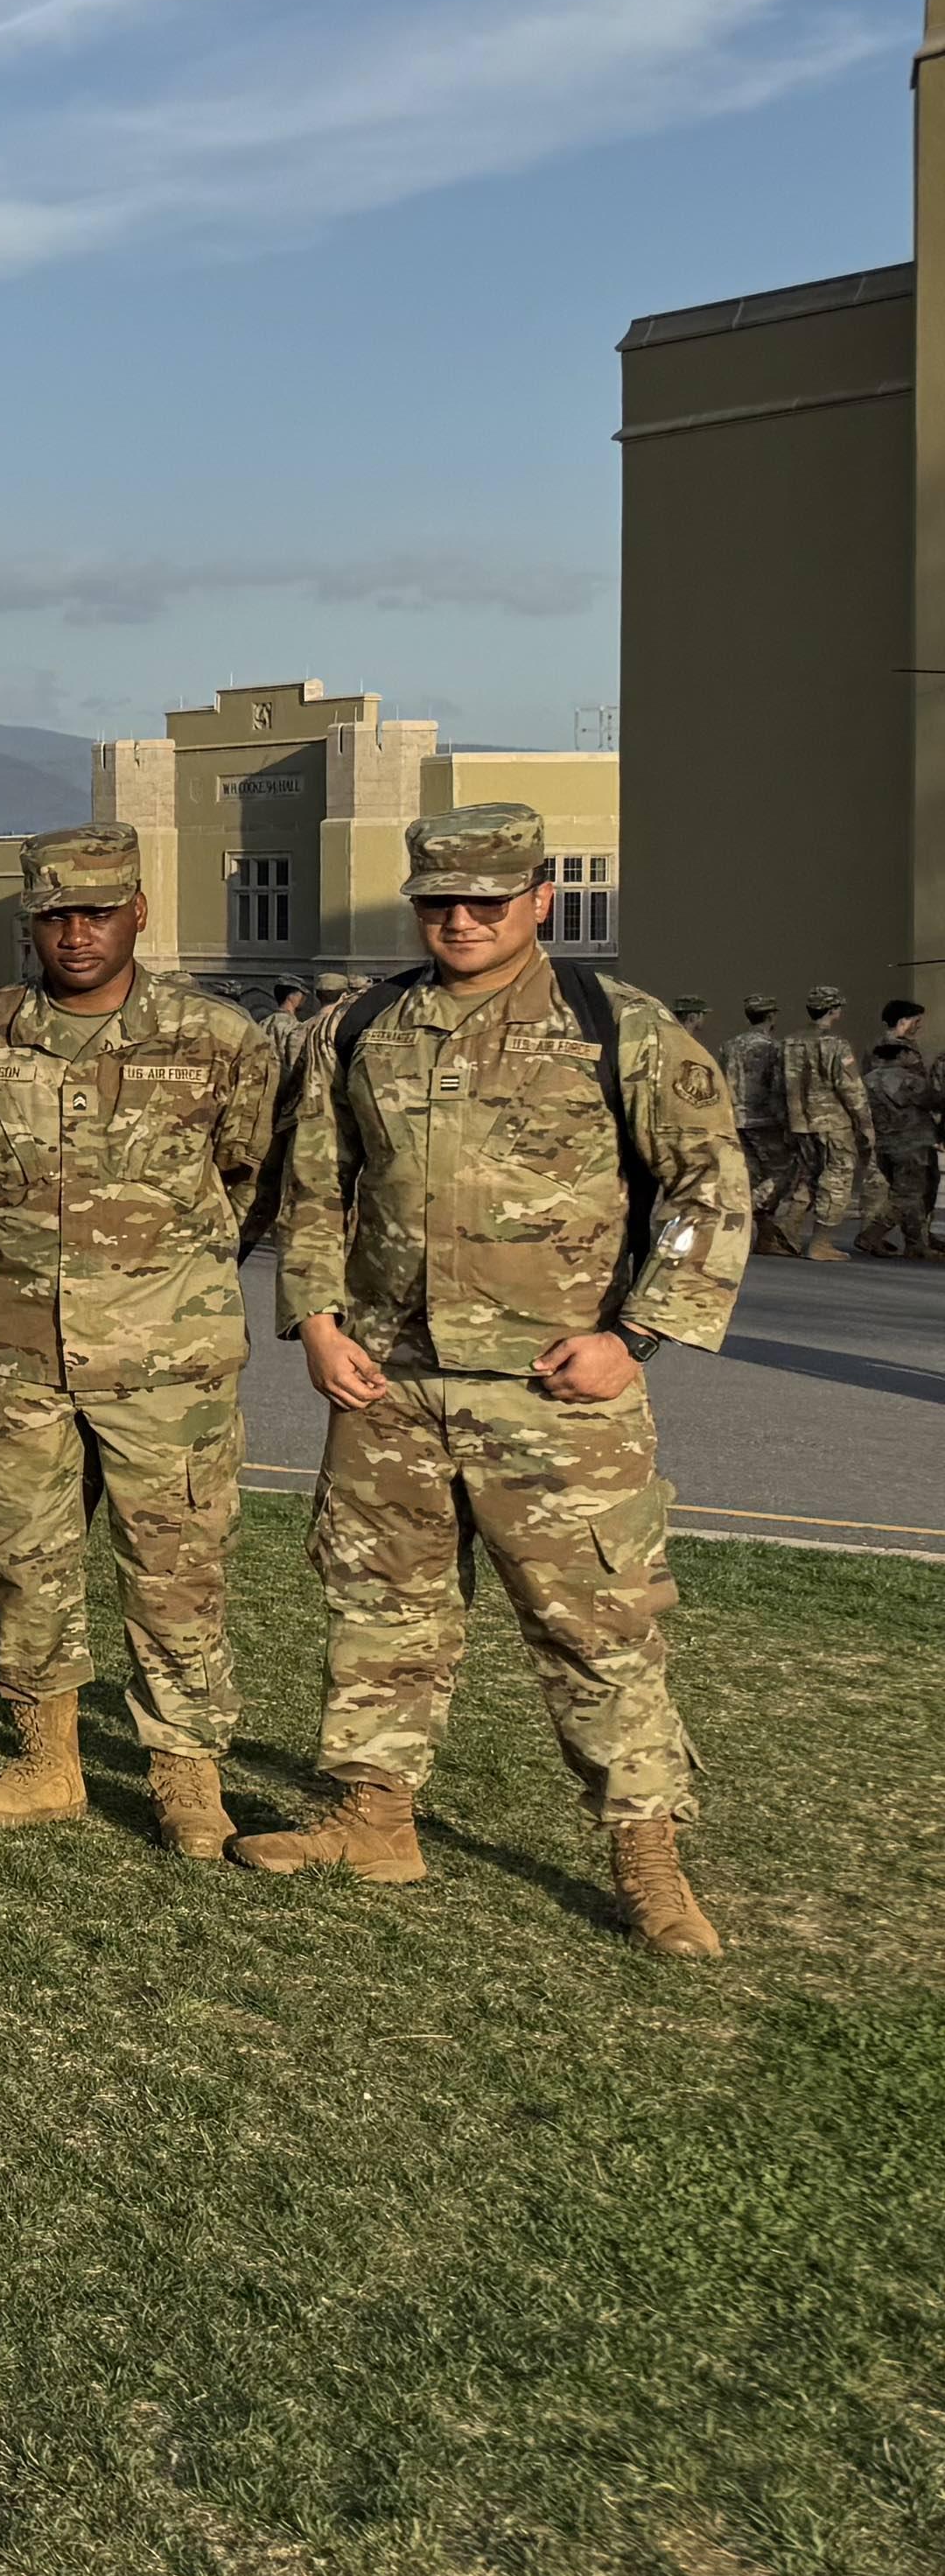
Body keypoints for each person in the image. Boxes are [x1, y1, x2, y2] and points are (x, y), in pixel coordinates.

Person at [245, 805, 748, 1953]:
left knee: (596, 1626)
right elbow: (315, 1187)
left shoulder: (620, 1029)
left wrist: (638, 1332)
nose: (461, 920)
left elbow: (708, 1194)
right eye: (439, 901)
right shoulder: (363, 1024)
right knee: (381, 1616)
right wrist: (316, 1322)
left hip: (554, 1388)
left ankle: (647, 1860)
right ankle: (373, 1820)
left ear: (541, 902)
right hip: (391, 1384)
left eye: (486, 900)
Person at [0, 829, 279, 1857]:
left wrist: (172, 1280)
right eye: (56, 915)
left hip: (169, 1359)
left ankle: (186, 1776)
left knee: (177, 1569)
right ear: (30, 920)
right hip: (15, 1350)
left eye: (99, 911)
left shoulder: (218, 1039)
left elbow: (254, 1176)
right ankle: (46, 1759)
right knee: (24, 1558)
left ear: (140, 912)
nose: (77, 933)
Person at [788, 990, 876, 1259]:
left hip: (800, 1122)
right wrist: (866, 1124)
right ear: (833, 1010)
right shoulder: (837, 1044)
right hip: (833, 1122)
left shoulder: (790, 1042)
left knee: (808, 1178)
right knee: (837, 1178)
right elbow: (850, 1088)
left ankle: (786, 1232)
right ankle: (821, 1242)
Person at [865, 1000, 936, 1261]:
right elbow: (924, 1094)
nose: (919, 1026)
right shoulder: (887, 1050)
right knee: (908, 1190)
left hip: (905, 1132)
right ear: (903, 1020)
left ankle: (918, 1238)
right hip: (906, 1134)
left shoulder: (900, 1050)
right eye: (916, 1021)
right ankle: (876, 1234)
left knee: (923, 1186)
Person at [727, 998, 796, 1253]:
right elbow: (777, 1087)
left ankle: (765, 1237)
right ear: (771, 1017)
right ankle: (742, 1210)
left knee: (754, 1176)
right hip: (764, 1119)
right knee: (782, 1173)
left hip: (735, 1117)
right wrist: (785, 1121)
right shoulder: (771, 1047)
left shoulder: (730, 1045)